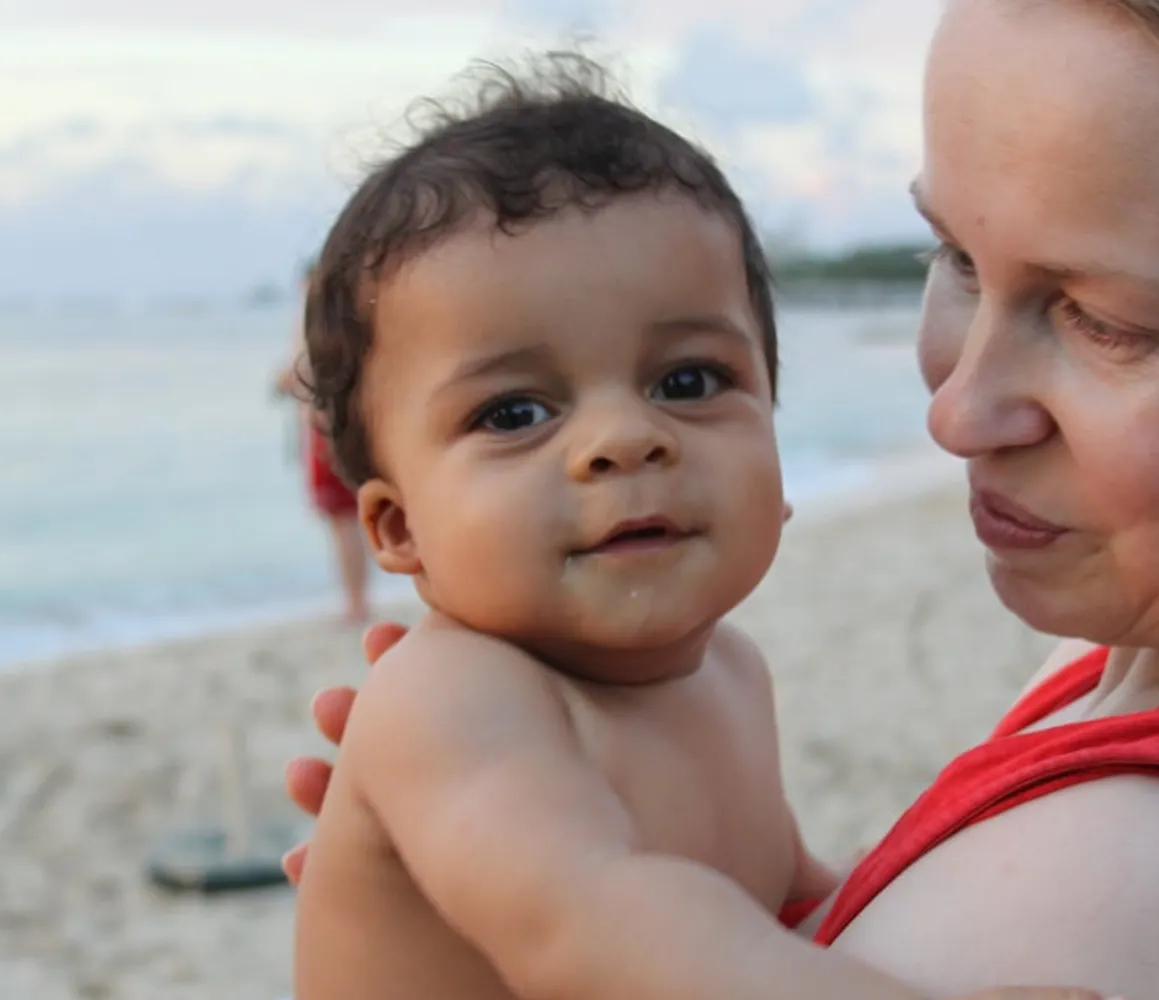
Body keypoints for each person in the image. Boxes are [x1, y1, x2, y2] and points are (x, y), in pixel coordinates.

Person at [285, 1, 1159, 997]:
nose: (955, 412)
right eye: (957, 257)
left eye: (1101, 319)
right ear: (392, 522)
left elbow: (664, 916)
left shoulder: (1143, 887)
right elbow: (631, 916)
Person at [287, 56, 1084, 1000]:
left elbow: (783, 912)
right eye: (514, 413)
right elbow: (589, 922)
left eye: (688, 381)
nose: (624, 439)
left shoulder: (731, 674)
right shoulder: (449, 700)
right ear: (398, 527)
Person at [274, 263, 371, 624]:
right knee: (346, 518)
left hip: (327, 428)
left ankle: (356, 602)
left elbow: (311, 375)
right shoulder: (333, 320)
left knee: (342, 518)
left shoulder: (323, 322)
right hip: (328, 426)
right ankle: (356, 599)